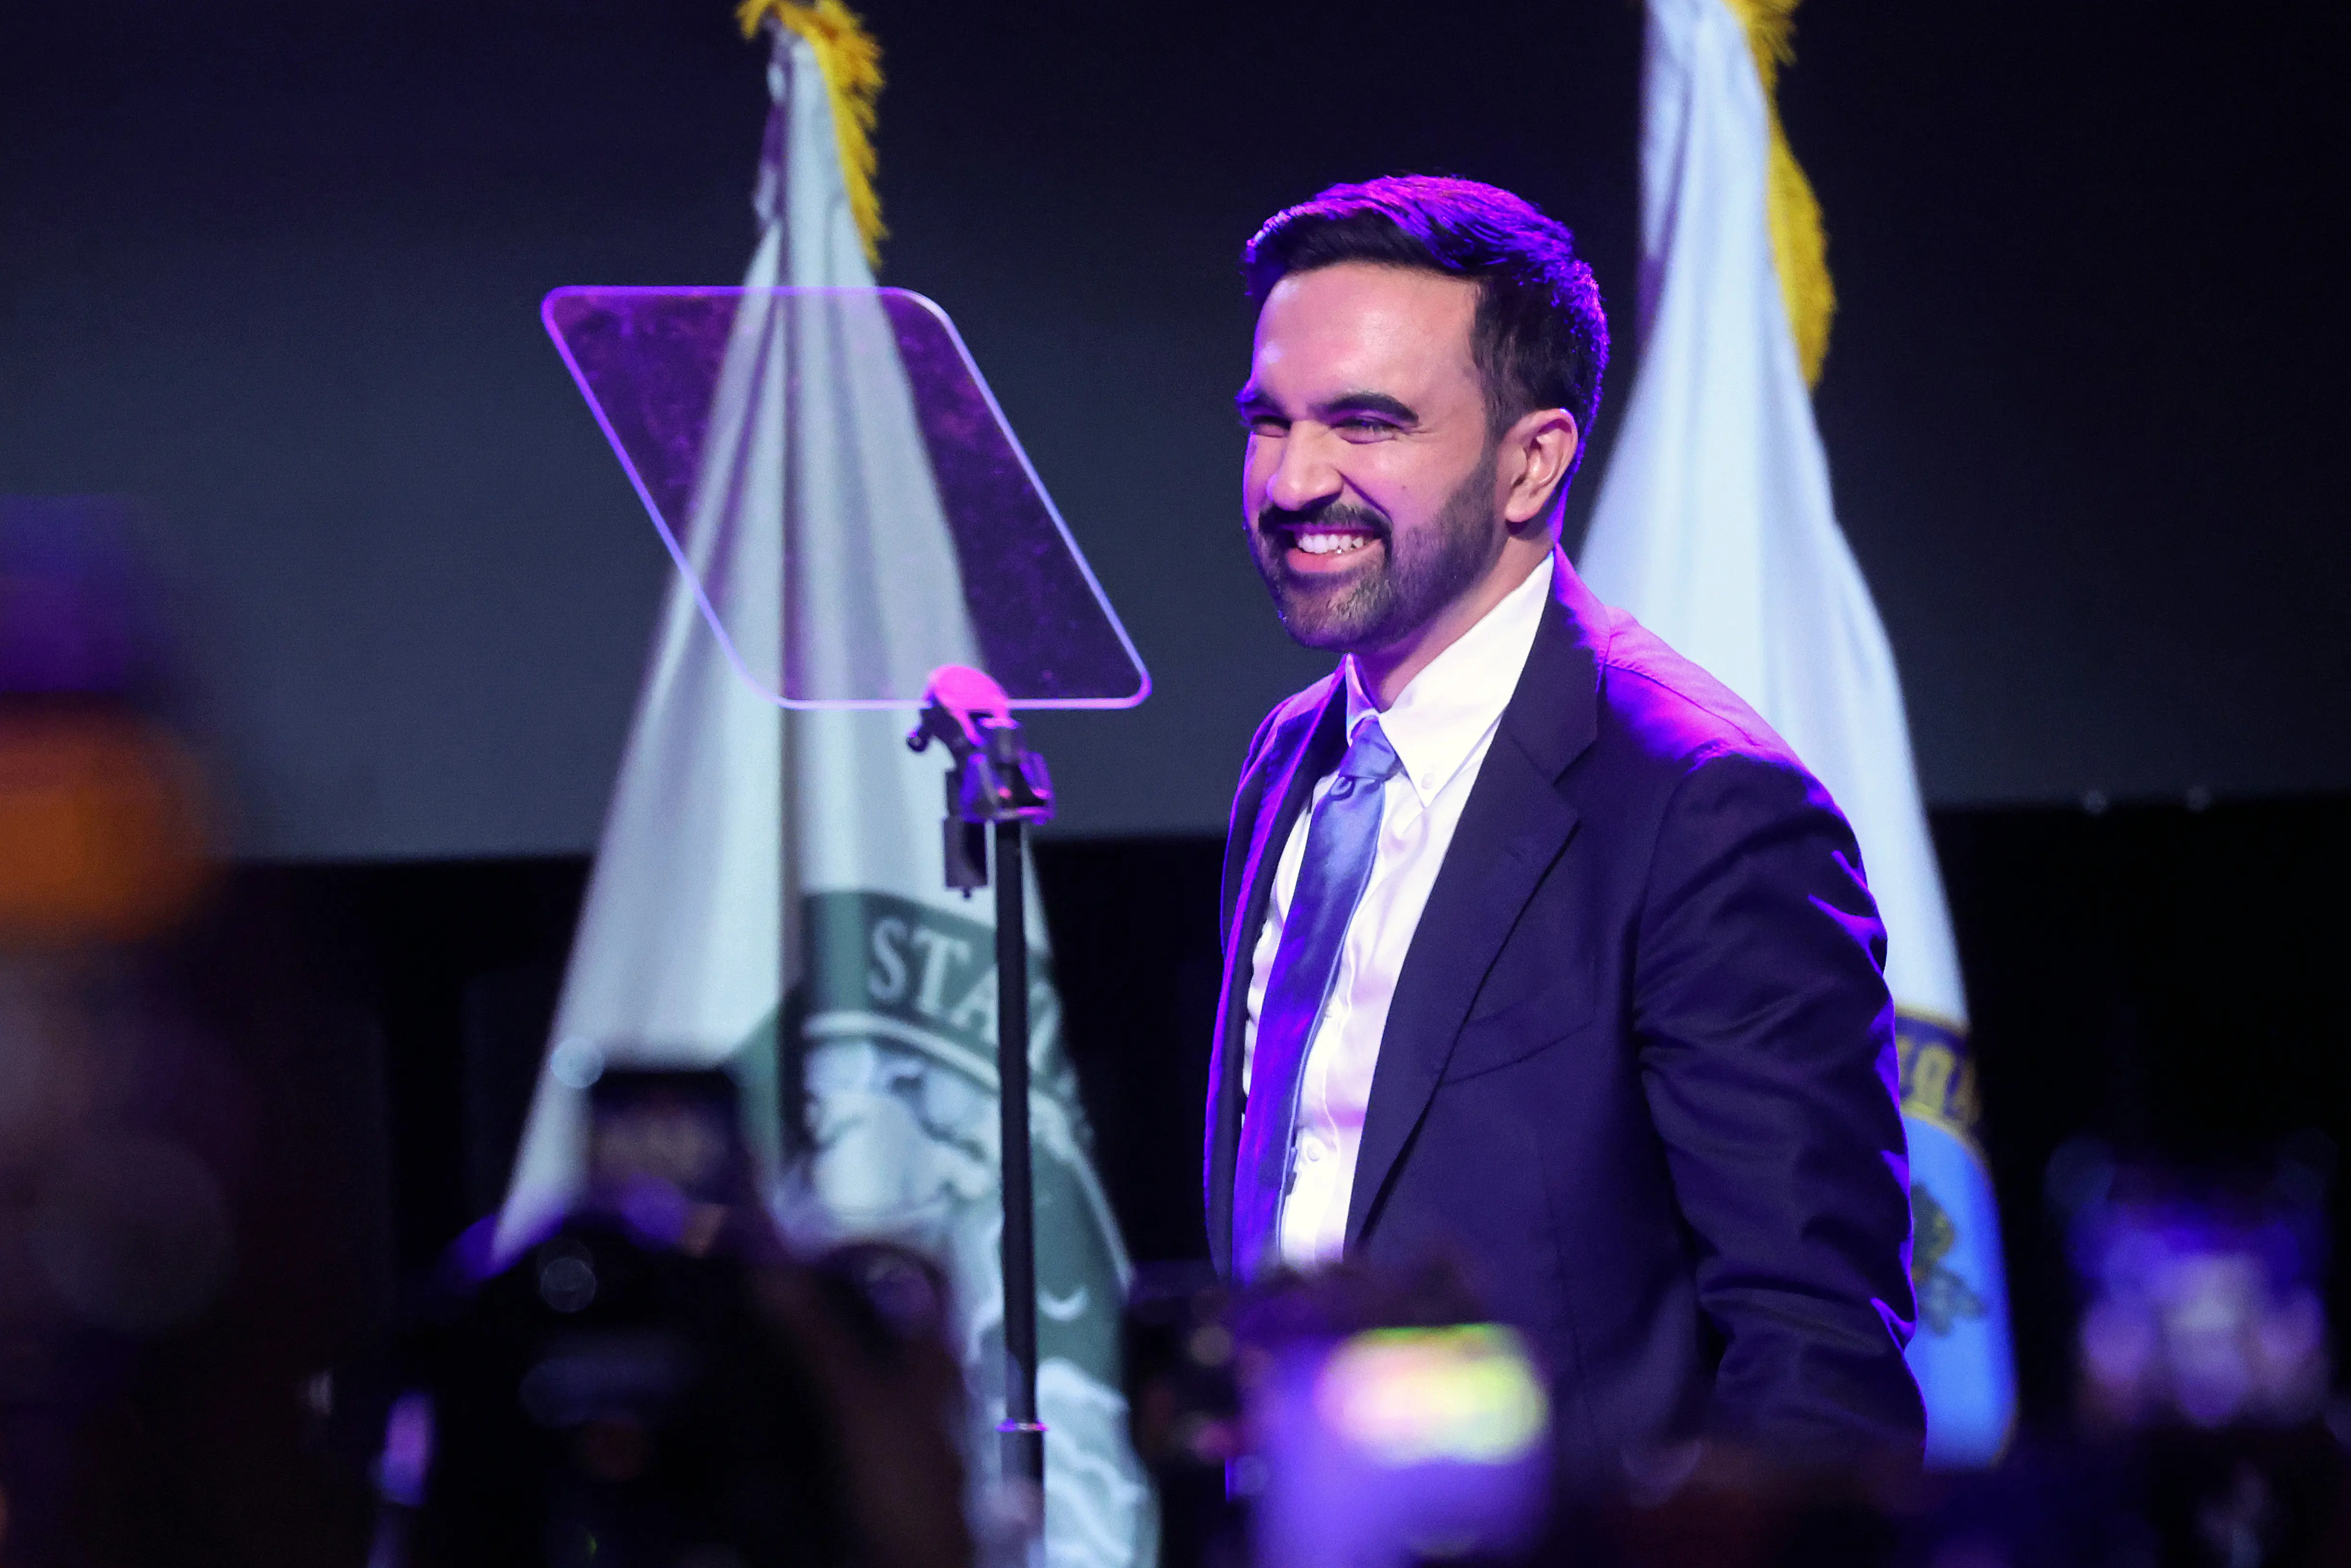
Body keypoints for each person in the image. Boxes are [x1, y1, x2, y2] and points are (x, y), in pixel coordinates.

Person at [1203, 175, 1925, 1488]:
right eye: (1270, 421)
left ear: (1531, 460)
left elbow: (1816, 1358)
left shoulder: (1704, 808)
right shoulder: (1290, 762)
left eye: (1366, 423)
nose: (1294, 479)